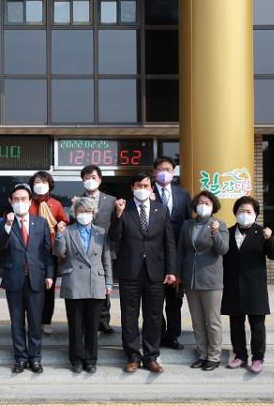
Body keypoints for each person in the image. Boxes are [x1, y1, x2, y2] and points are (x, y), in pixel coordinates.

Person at [110, 173, 177, 373]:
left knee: (154, 316)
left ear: (152, 189)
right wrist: (118, 215)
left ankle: (151, 357)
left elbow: (169, 242)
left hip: (155, 271)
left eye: (146, 185)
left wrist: (171, 270)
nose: (142, 188)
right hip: (130, 270)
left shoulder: (161, 210)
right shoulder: (123, 208)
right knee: (129, 316)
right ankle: (132, 356)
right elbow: (114, 237)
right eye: (138, 185)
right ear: (132, 187)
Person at [0, 183, 54, 374]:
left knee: (35, 322)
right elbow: (0, 246)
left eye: (23, 199)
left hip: (36, 279)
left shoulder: (41, 223)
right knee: (17, 322)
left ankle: (35, 358)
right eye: (16, 199)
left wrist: (49, 274)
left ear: (30, 201)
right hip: (14, 279)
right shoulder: (5, 224)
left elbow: (47, 252)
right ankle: (20, 358)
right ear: (11, 201)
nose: (20, 202)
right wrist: (7, 225)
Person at [221, 196, 274, 374]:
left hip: (255, 287)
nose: (244, 214)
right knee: (236, 324)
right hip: (233, 286)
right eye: (241, 211)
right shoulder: (228, 232)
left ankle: (258, 358)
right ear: (235, 213)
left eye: (248, 211)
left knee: (257, 326)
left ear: (255, 214)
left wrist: (269, 239)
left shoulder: (262, 232)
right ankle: (240, 355)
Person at [55, 196, 112, 374]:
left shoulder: (101, 232)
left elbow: (106, 258)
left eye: (87, 211)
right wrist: (59, 235)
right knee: (75, 325)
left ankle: (91, 360)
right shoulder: (67, 231)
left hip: (96, 281)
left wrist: (108, 281)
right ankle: (76, 359)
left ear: (94, 213)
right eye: (80, 211)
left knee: (93, 325)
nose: (84, 214)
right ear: (75, 213)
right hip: (74, 282)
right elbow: (60, 253)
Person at [176, 191, 229, 371]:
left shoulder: (220, 225)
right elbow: (181, 250)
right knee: (197, 321)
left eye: (207, 202)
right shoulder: (187, 225)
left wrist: (215, 233)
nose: (203, 205)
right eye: (200, 202)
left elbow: (223, 250)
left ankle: (214, 356)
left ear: (213, 206)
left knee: (212, 321)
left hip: (211, 280)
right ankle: (202, 354)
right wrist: (178, 274)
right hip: (190, 279)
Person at [72, 164, 117, 334]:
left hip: (105, 249)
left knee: (104, 287)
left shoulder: (111, 200)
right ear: (82, 180)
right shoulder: (77, 200)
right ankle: (87, 321)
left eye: (94, 177)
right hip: (84, 251)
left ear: (100, 180)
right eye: (87, 178)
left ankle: (103, 321)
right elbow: (72, 224)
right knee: (86, 287)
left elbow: (116, 224)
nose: (90, 180)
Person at [153, 156, 192, 351]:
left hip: (177, 256)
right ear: (154, 173)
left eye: (168, 169)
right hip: (154, 257)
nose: (164, 172)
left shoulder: (183, 194)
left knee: (175, 301)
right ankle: (158, 334)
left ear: (173, 172)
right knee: (155, 300)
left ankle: (173, 336)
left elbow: (187, 224)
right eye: (160, 169)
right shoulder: (147, 192)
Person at [28, 170, 69, 335]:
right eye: (37, 182)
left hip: (49, 251)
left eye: (44, 182)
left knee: (48, 289)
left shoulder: (56, 204)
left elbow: (64, 221)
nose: (40, 185)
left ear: (49, 185)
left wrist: (61, 225)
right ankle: (33, 321)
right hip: (30, 251)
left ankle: (46, 321)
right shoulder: (28, 202)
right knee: (31, 289)